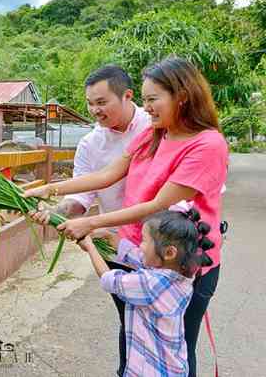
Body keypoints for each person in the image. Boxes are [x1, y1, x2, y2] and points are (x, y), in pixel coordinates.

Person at [25, 57, 228, 377]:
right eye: (145, 100)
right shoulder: (154, 133)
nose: (147, 108)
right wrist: (50, 189)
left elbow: (157, 204)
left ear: (183, 95)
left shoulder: (207, 144)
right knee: (134, 335)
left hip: (179, 264)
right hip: (138, 252)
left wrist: (90, 224)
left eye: (152, 99)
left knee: (175, 348)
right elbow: (107, 175)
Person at [79, 208, 214, 377]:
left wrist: (90, 247)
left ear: (169, 252)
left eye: (144, 241)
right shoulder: (178, 273)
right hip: (172, 367)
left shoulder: (150, 284)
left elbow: (109, 279)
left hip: (151, 370)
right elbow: (134, 255)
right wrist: (108, 235)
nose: (140, 246)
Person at [41, 65, 150, 220]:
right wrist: (54, 212)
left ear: (127, 95)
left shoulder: (153, 126)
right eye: (90, 103)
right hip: (113, 233)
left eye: (101, 102)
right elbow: (80, 196)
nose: (94, 110)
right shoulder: (89, 144)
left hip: (160, 233)